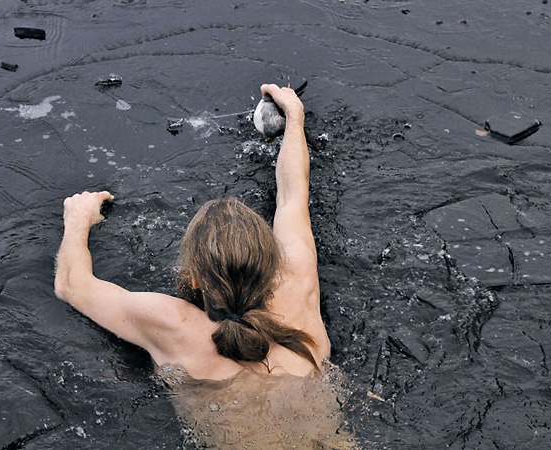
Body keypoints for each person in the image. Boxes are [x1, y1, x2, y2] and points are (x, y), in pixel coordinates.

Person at [55, 84, 356, 448]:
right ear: (272, 264)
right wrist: (294, 118)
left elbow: (72, 284)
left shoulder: (174, 326)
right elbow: (294, 195)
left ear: (195, 278)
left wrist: (77, 220)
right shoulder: (298, 286)